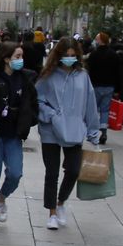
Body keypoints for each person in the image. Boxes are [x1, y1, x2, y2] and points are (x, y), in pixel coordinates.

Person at [36, 37, 101, 230]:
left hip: (74, 129)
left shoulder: (83, 76)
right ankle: (52, 213)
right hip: (51, 130)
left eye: (73, 56)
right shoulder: (48, 75)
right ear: (59, 56)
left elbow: (90, 103)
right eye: (66, 55)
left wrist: (93, 130)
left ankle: (61, 201)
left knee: (73, 170)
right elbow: (37, 100)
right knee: (52, 173)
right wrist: (51, 115)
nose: (70, 59)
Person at [0, 42, 37, 230]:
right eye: (17, 56)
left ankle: (1, 198)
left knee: (15, 172)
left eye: (21, 57)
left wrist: (29, 120)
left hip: (14, 134)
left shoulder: (26, 79)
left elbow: (33, 103)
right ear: (6, 58)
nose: (21, 60)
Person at [86, 33, 119, 145]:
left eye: (96, 39)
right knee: (105, 110)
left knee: (93, 109)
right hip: (109, 86)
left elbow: (89, 70)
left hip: (96, 85)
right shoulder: (114, 55)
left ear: (100, 40)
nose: (95, 41)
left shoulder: (94, 54)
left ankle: (93, 132)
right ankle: (103, 132)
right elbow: (117, 72)